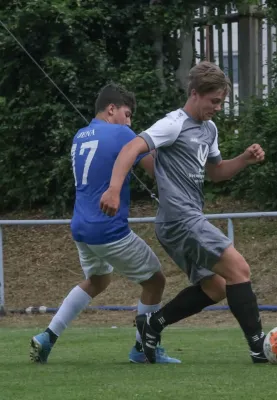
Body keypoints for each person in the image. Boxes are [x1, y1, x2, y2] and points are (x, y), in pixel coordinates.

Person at [99, 61, 268, 364]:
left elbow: (216, 172)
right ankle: (260, 348)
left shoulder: (209, 129)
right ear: (194, 94)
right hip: (180, 219)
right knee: (239, 269)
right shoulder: (173, 123)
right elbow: (131, 149)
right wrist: (113, 189)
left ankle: (153, 325)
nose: (217, 107)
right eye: (213, 101)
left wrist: (244, 159)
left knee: (216, 288)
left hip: (180, 221)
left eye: (221, 102)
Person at [30, 83, 180, 364]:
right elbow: (156, 169)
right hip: (108, 228)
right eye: (127, 113)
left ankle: (47, 337)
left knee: (98, 280)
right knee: (155, 280)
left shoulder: (79, 136)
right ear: (112, 109)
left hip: (80, 228)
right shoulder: (123, 133)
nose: (130, 122)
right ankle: (142, 349)